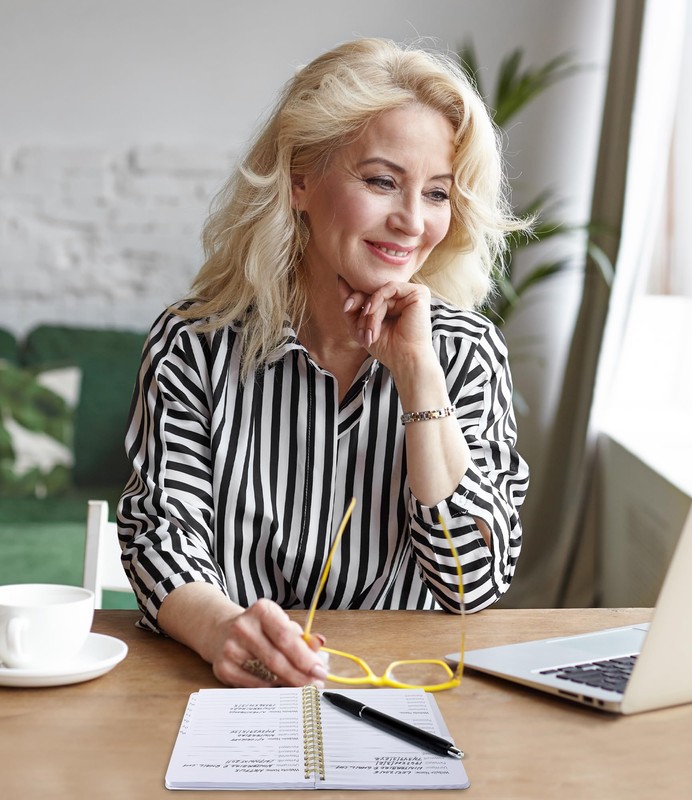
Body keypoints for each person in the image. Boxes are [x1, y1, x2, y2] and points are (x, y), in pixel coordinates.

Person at [117, 37, 530, 689]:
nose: (412, 222)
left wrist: (420, 377)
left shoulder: (466, 352)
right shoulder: (192, 343)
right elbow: (161, 536)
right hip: (229, 690)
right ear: (300, 181)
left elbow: (470, 584)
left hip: (403, 692)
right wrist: (224, 630)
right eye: (382, 181)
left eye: (437, 194)